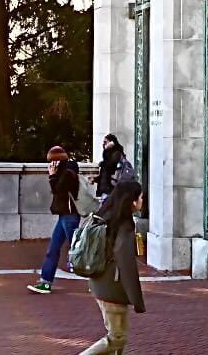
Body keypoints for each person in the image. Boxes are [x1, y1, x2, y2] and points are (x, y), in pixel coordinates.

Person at [79, 180, 146, 355]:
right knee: (117, 337)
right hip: (112, 288)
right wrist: (137, 300)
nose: (142, 201)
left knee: (118, 336)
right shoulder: (124, 226)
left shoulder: (107, 216)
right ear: (132, 201)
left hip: (99, 282)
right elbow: (127, 265)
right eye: (140, 197)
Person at [28, 145, 80, 295]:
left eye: (52, 162)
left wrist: (52, 176)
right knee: (53, 249)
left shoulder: (69, 172)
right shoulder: (64, 171)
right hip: (64, 214)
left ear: (58, 161)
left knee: (79, 250)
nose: (51, 165)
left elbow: (59, 190)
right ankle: (45, 281)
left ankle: (98, 279)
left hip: (70, 215)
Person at [94, 134, 126, 201]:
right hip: (105, 188)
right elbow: (104, 172)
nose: (104, 144)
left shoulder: (116, 153)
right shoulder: (108, 154)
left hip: (110, 188)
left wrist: (107, 150)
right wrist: (95, 179)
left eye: (106, 142)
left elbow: (110, 166)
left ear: (112, 142)